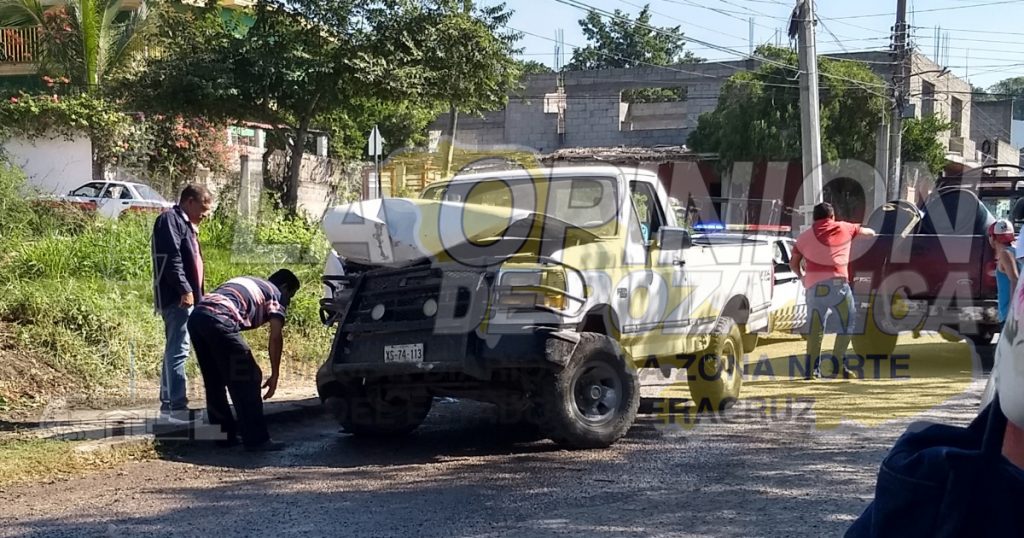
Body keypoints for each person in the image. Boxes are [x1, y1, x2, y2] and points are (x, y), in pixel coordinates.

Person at [187, 270, 302, 452]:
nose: (288, 301)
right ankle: (256, 439)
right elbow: (275, 336)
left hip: (197, 317)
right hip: (220, 318)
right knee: (249, 378)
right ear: (285, 288)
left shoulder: (251, 282)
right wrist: (275, 374)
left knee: (214, 381)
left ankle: (223, 437)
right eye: (291, 295)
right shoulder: (276, 293)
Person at [790, 202, 876, 380]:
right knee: (849, 321)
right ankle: (838, 364)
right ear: (832, 217)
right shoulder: (844, 227)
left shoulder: (803, 237)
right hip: (838, 286)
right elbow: (868, 233)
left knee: (815, 328)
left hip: (813, 287)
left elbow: (793, 263)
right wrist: (873, 232)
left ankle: (811, 371)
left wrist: (802, 276)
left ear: (814, 218)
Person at [151, 184, 213, 423]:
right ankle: (177, 407)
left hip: (187, 296)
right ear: (189, 201)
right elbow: (171, 258)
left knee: (175, 348)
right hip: (177, 298)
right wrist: (185, 290)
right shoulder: (170, 220)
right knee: (179, 350)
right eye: (203, 208)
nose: (205, 214)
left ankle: (170, 404)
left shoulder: (186, 224)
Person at [988, 219, 1020, 329]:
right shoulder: (1017, 252)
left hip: (1011, 316)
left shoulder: (1005, 254)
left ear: (993, 238)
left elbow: (1015, 280)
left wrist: (1012, 314)